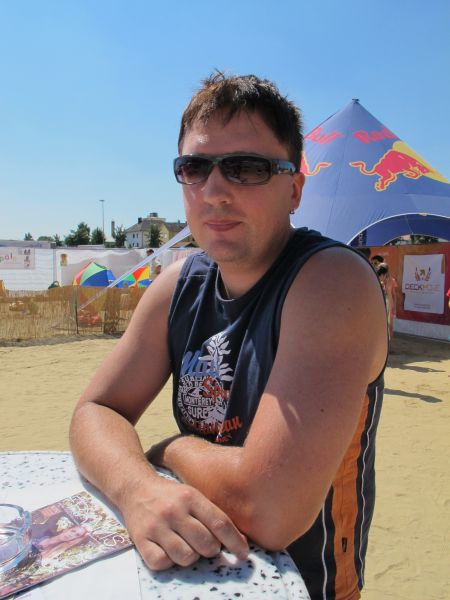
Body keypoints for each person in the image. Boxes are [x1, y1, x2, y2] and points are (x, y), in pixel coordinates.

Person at [70, 73, 388, 600]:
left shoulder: (332, 282)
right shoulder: (177, 285)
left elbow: (270, 507)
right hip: (192, 577)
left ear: (295, 189)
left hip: (308, 587)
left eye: (247, 168)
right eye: (194, 168)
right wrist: (137, 487)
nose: (214, 192)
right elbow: (95, 411)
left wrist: (172, 448)